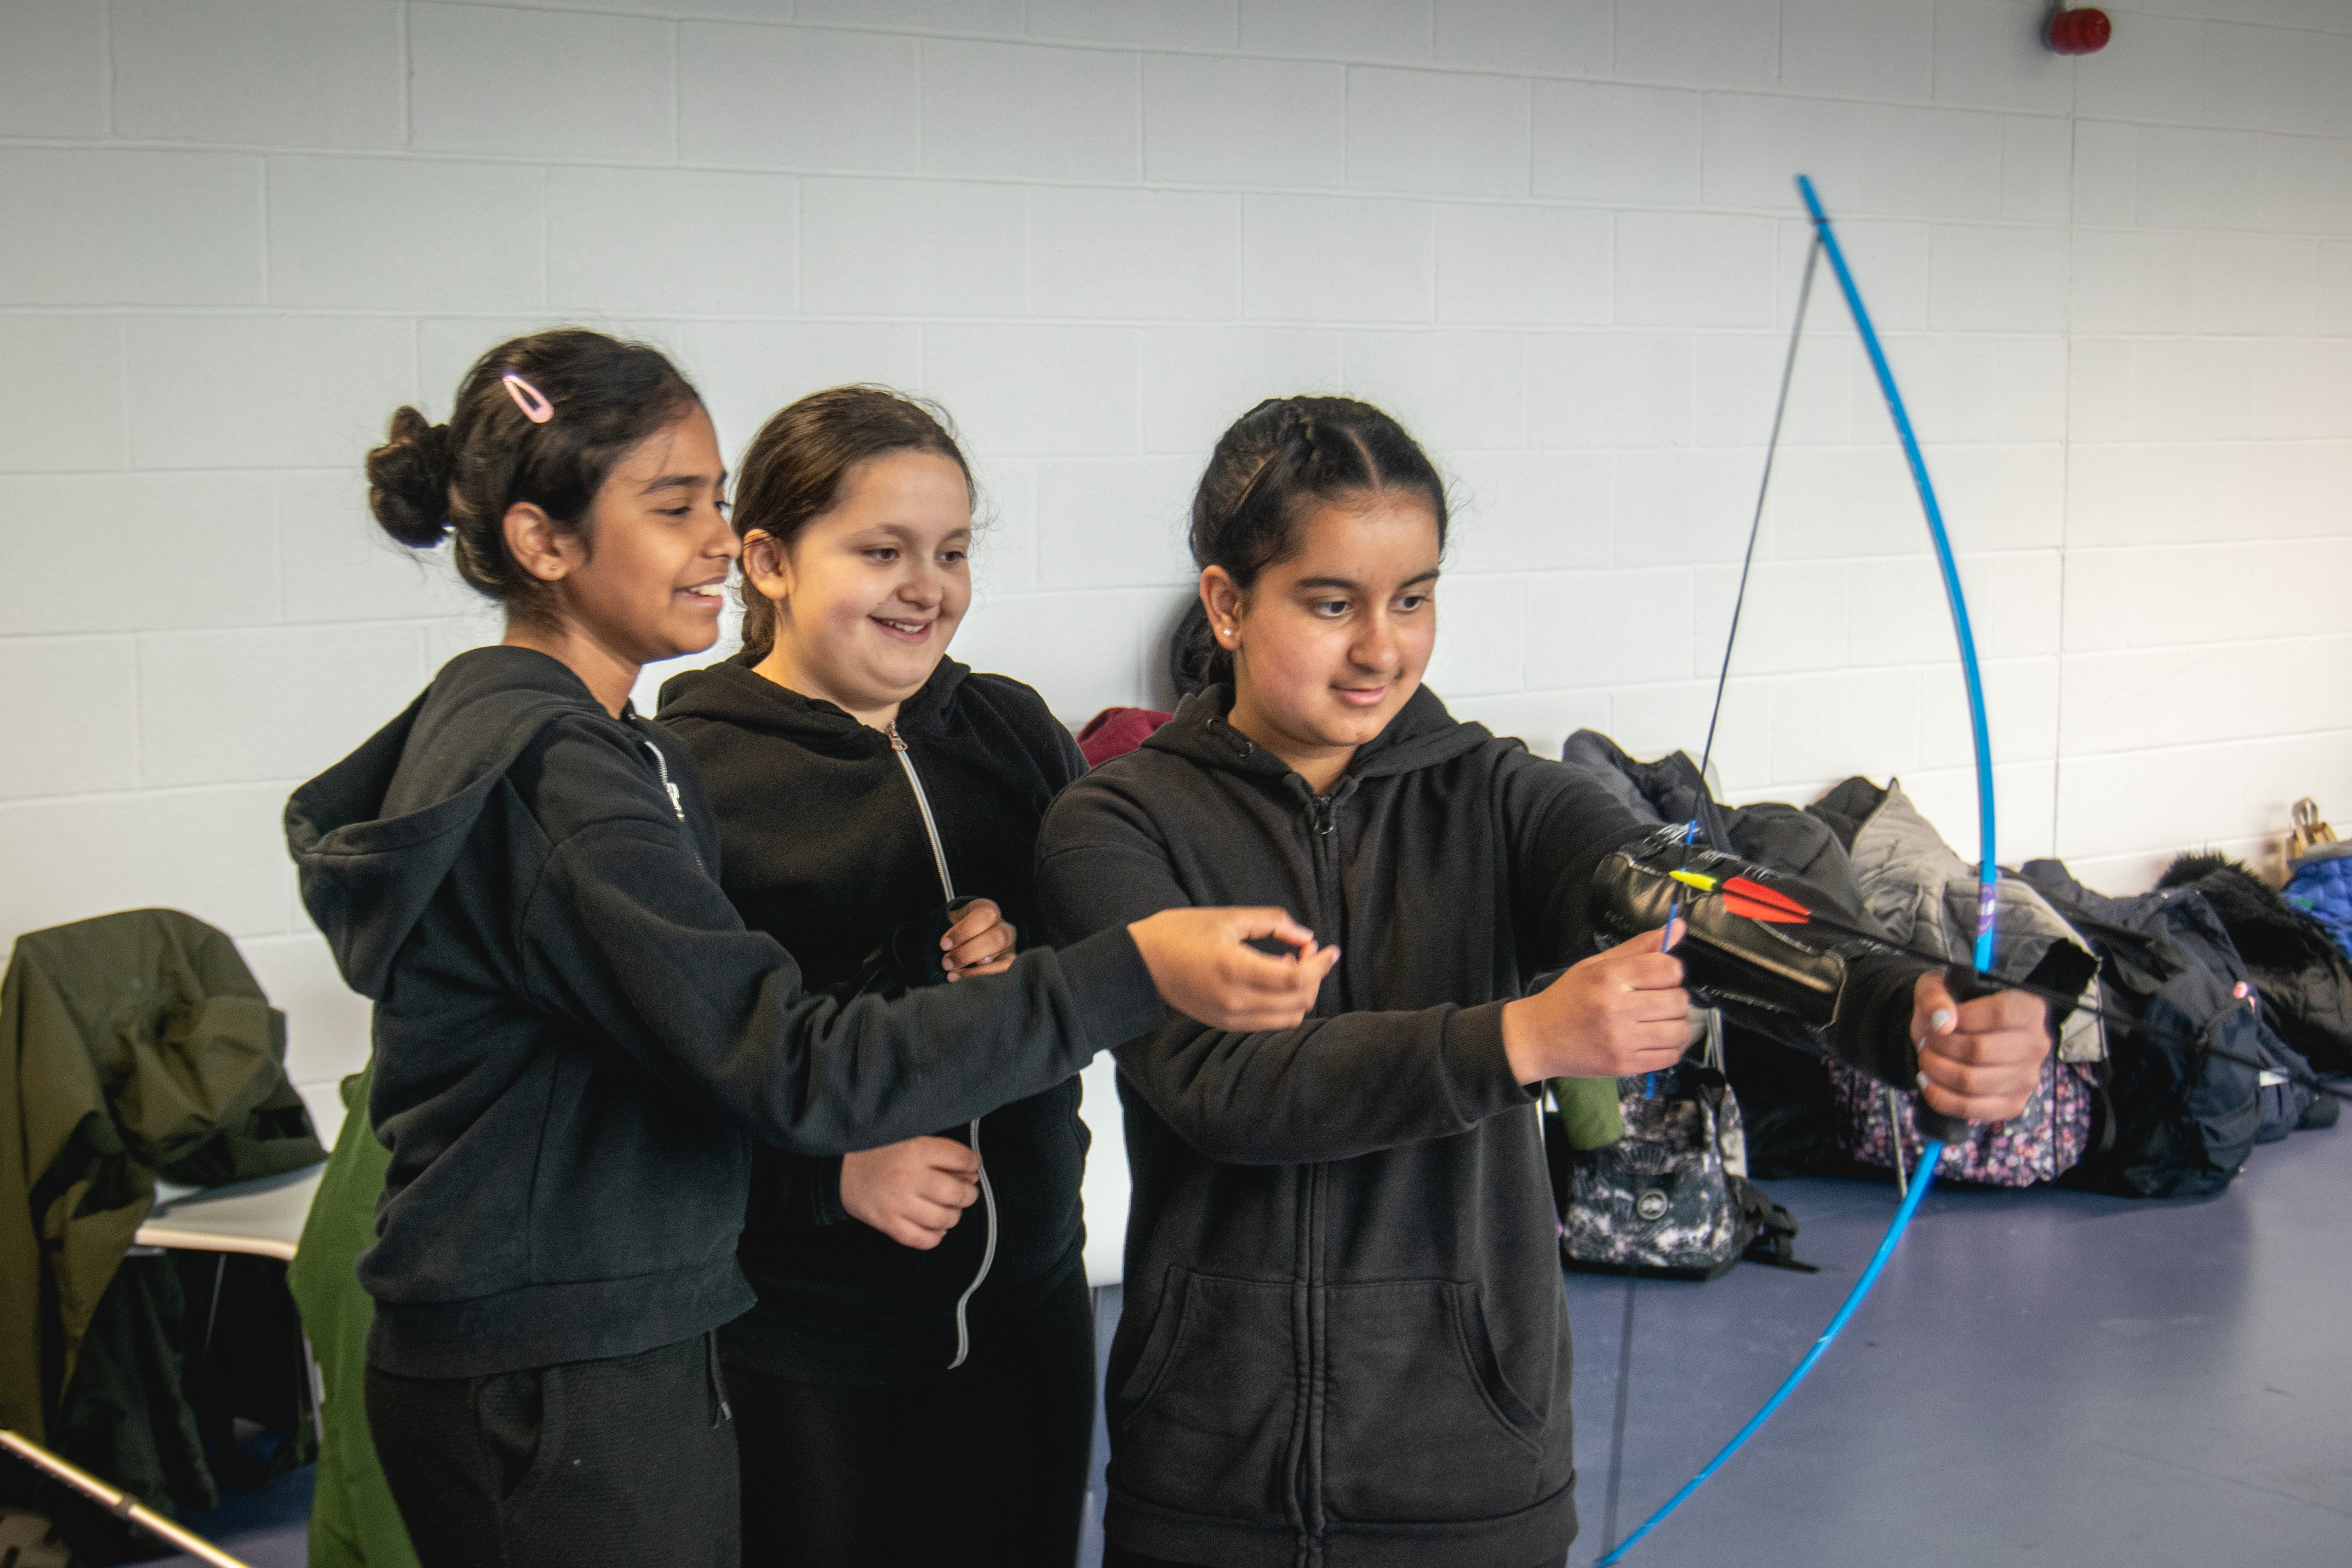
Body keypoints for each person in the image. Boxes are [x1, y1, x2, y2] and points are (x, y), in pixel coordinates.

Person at [284, 333, 1337, 1568]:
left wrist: (1034, 950)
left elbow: (670, 1051)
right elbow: (777, 1061)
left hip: (739, 1323)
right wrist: (1130, 970)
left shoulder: (628, 751)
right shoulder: (578, 773)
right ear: (543, 541)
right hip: (611, 1356)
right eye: (676, 507)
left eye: (714, 504)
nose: (714, 542)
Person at [1033, 395, 2052, 1568]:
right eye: (1331, 603)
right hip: (1209, 1470)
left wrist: (1891, 1002)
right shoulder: (1115, 821)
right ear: (1225, 604)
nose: (1382, 647)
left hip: (1471, 1464)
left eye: (1412, 598)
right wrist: (1516, 1040)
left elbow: (1681, 886)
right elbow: (1223, 1087)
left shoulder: (1498, 795)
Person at [656, 386, 1100, 1565]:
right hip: (813, 1343)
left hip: (1032, 1300)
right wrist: (828, 1179)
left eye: (951, 552)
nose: (928, 586)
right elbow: (649, 1088)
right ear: (769, 560)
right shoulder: (691, 779)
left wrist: (1034, 947)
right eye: (882, 550)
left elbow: (1103, 966)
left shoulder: (1009, 731)